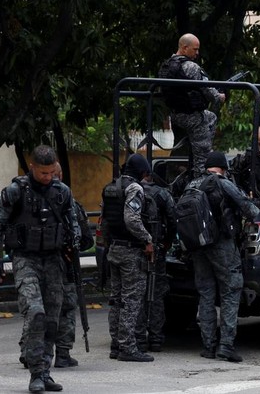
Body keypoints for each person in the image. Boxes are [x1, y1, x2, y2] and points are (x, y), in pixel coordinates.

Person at [0, 145, 80, 393]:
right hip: (25, 259)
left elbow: (74, 222)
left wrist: (74, 246)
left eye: (51, 173)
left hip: (54, 261)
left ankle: (45, 372)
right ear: (32, 167)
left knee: (52, 320)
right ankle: (36, 373)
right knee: (36, 313)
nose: (48, 178)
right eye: (43, 173)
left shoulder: (62, 192)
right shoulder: (16, 191)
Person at [18, 163, 94, 369]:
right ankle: (62, 353)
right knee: (65, 309)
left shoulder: (31, 199)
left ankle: (29, 352)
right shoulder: (69, 203)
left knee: (36, 310)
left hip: (39, 264)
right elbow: (86, 239)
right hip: (63, 266)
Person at [187, 151, 259, 362]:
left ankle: (208, 346)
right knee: (231, 290)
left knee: (206, 294)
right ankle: (226, 345)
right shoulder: (223, 183)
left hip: (198, 246)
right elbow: (251, 210)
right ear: (223, 168)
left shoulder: (192, 184)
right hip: (221, 245)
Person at [102, 154, 156, 362]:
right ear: (142, 173)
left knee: (116, 299)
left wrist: (109, 244)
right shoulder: (134, 189)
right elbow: (131, 219)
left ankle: (116, 344)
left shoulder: (110, 188)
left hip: (114, 248)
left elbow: (105, 221)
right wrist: (147, 239)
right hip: (132, 251)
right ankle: (128, 347)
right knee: (131, 300)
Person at [158, 33, 225, 179]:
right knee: (203, 159)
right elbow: (209, 92)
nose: (197, 53)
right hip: (191, 117)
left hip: (175, 115)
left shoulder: (167, 65)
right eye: (195, 49)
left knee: (211, 117)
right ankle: (199, 185)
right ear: (184, 47)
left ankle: (203, 145)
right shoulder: (190, 67)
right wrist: (219, 97)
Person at [135, 174, 176, 352]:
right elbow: (173, 220)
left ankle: (139, 338)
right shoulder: (162, 194)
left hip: (136, 250)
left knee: (138, 294)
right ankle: (156, 338)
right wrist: (167, 242)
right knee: (157, 294)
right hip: (157, 249)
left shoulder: (132, 191)